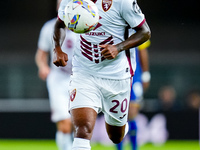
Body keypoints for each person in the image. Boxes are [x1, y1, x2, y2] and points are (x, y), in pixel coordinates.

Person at [53, 0, 151, 149]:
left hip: (117, 76)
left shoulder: (123, 2)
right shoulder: (70, 0)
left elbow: (145, 32)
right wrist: (57, 48)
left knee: (116, 136)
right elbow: (60, 24)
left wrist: (118, 47)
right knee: (82, 130)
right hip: (84, 72)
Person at [35, 0, 77, 149]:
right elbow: (40, 54)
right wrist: (43, 66)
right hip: (58, 80)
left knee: (77, 123)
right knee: (64, 124)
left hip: (79, 80)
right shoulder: (49, 27)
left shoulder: (84, 28)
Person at [116, 39, 151, 150]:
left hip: (134, 75)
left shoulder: (136, 26)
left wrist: (145, 74)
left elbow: (142, 51)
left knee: (131, 112)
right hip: (116, 76)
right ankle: (119, 148)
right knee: (118, 113)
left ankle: (134, 147)